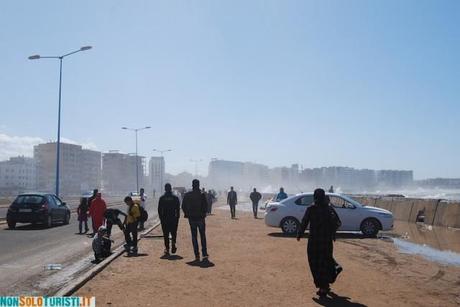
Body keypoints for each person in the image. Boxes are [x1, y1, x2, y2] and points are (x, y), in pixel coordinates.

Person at [297, 188, 342, 298]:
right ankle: (327, 281)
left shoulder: (311, 208)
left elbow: (304, 222)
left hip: (314, 241)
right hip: (326, 241)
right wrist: (332, 233)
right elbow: (337, 222)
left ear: (315, 196)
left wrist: (299, 234)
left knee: (315, 263)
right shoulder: (328, 209)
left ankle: (323, 287)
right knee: (325, 261)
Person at [182, 179, 209, 261]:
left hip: (192, 219)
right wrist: (203, 214)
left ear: (192, 185)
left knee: (194, 237)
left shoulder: (188, 195)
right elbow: (206, 206)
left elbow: (183, 206)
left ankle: (196, 255)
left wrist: (187, 214)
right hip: (200, 218)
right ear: (199, 185)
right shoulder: (202, 195)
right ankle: (204, 254)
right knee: (202, 236)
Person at [158, 183, 181, 256]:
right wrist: (177, 218)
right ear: (171, 188)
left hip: (165, 219)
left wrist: (161, 218)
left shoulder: (162, 198)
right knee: (174, 233)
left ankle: (167, 248)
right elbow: (178, 209)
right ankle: (173, 243)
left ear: (165, 189)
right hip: (173, 218)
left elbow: (159, 209)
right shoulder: (175, 198)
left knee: (166, 234)